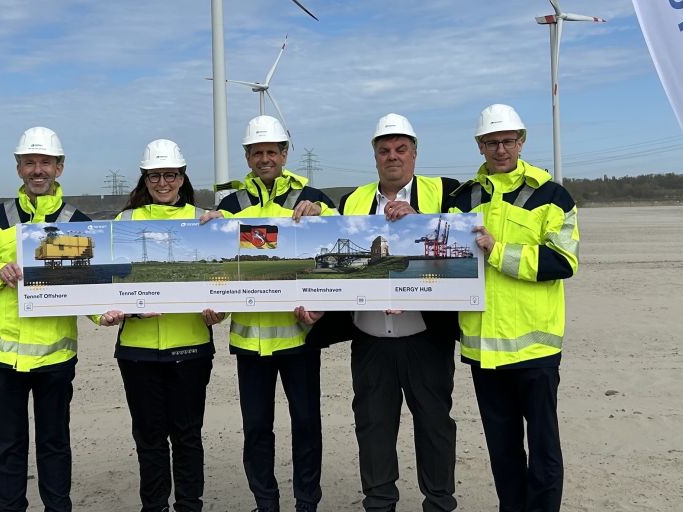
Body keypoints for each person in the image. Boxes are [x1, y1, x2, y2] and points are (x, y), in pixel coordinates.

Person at [447, 105, 580, 512]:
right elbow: (444, 262)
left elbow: (562, 262)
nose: (500, 148)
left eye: (507, 140)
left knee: (543, 452)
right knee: (502, 452)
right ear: (479, 146)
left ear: (521, 142)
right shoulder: (462, 198)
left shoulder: (551, 195)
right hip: (482, 350)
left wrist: (497, 251)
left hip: (534, 352)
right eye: (491, 142)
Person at [202, 115, 336, 512]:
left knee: (307, 426)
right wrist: (207, 228)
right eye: (257, 152)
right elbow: (217, 264)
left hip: (299, 337)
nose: (264, 158)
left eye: (271, 152)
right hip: (248, 341)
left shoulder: (313, 199)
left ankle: (306, 501)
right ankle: (266, 502)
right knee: (257, 429)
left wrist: (321, 217)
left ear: (284, 153)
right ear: (247, 157)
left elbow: (338, 256)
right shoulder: (229, 205)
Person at [0, 126, 92, 512]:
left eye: (45, 162)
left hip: (55, 358)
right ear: (18, 168)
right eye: (30, 162)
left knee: (54, 444)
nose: (38, 170)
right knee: (7, 446)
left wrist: (108, 313)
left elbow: (89, 283)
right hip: (4, 358)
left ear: (59, 167)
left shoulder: (78, 222)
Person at [330, 113, 461, 512]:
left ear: (415, 154)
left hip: (425, 336)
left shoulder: (445, 192)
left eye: (401, 149)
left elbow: (465, 238)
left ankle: (438, 502)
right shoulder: (352, 200)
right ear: (374, 157)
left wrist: (419, 221)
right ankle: (380, 502)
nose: (392, 156)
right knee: (373, 427)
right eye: (384, 150)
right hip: (371, 339)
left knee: (435, 425)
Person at [97, 139, 226, 512]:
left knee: (187, 436)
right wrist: (123, 310)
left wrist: (222, 311)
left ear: (182, 176)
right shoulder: (123, 222)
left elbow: (225, 279)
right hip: (138, 352)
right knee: (149, 438)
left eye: (170, 174)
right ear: (145, 178)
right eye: (155, 175)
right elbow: (105, 279)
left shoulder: (207, 219)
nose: (163, 182)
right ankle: (153, 507)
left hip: (191, 348)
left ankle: (189, 506)